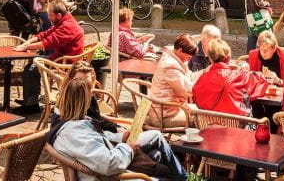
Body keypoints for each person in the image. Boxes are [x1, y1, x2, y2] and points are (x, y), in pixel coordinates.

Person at [49, 77, 186, 181]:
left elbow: (97, 140)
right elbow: (108, 164)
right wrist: (127, 148)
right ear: (82, 102)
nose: (91, 101)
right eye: (89, 98)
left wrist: (120, 137)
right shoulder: (74, 133)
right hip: (110, 175)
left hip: (109, 163)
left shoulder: (71, 124)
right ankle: (183, 177)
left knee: (156, 154)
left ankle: (183, 176)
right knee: (163, 170)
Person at [14, 1, 85, 112]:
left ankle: (31, 106)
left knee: (32, 68)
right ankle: (30, 100)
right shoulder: (64, 20)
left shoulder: (67, 26)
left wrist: (26, 48)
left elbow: (47, 43)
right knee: (32, 63)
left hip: (65, 64)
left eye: (50, 15)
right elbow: (45, 34)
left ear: (58, 15)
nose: (48, 18)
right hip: (60, 59)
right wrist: (27, 43)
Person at [192, 39, 268, 116]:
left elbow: (196, 101)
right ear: (229, 58)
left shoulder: (201, 79)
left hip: (208, 126)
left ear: (210, 59)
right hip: (237, 126)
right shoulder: (239, 76)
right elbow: (260, 80)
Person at [148, 34, 197, 128]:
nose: (190, 58)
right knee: (203, 118)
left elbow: (188, 76)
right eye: (189, 56)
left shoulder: (173, 57)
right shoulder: (170, 66)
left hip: (166, 110)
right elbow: (187, 90)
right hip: (164, 116)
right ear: (180, 50)